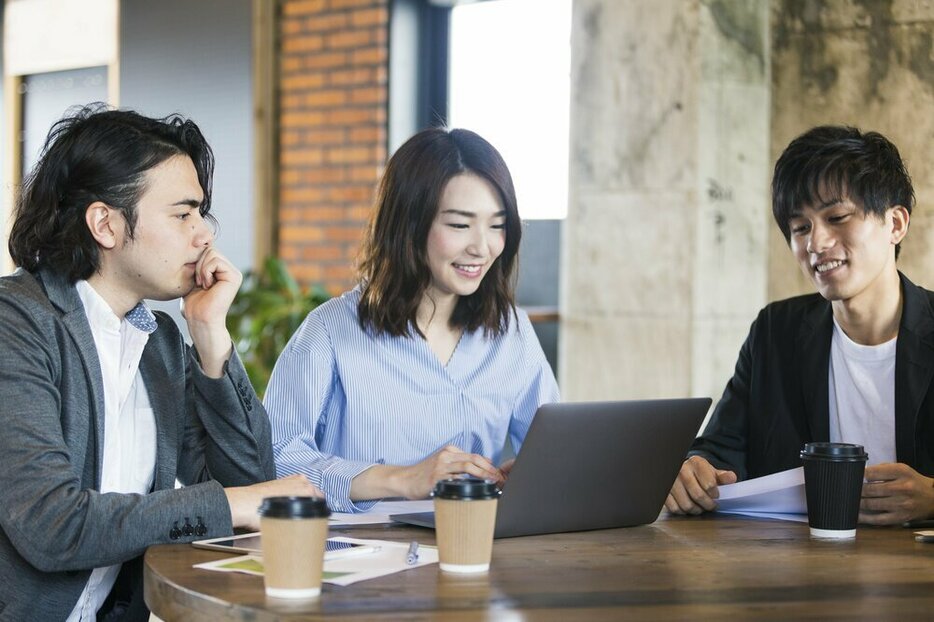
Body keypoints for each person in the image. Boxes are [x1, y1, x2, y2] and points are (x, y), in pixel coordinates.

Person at [0, 105, 322, 621]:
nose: (204, 235)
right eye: (182, 214)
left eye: (201, 213)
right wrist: (236, 503)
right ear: (105, 223)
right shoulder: (17, 322)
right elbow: (50, 525)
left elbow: (248, 477)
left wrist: (211, 337)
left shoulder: (160, 341)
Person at [264, 127, 559, 512]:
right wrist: (402, 479)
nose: (482, 247)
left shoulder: (510, 331)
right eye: (459, 224)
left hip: (469, 551)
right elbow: (274, 460)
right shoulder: (329, 331)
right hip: (357, 561)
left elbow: (552, 447)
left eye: (497, 225)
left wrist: (535, 474)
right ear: (409, 223)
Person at [666, 125, 934, 526]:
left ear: (895, 223)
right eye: (800, 228)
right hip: (803, 570)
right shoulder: (776, 331)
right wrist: (694, 469)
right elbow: (721, 450)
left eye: (837, 217)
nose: (816, 243)